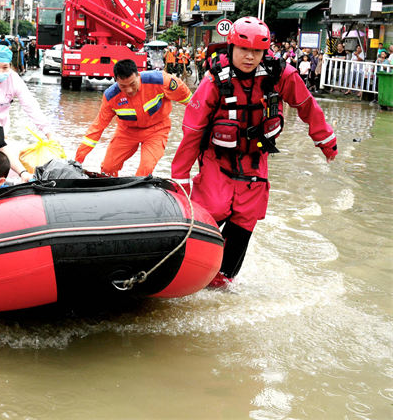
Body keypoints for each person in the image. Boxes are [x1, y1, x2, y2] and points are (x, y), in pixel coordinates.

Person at [171, 16, 337, 288]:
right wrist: (181, 178)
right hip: (217, 159)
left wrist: (325, 140)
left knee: (246, 218)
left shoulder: (281, 75)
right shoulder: (214, 82)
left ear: (265, 51)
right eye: (244, 50)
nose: (250, 57)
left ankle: (222, 280)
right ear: (231, 47)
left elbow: (307, 105)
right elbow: (193, 130)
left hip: (255, 160)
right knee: (212, 208)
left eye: (257, 51)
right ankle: (184, 267)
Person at [75, 59, 192, 177]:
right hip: (127, 132)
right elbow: (97, 127)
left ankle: (139, 191)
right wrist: (78, 160)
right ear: (116, 81)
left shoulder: (160, 81)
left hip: (157, 130)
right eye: (123, 86)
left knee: (145, 169)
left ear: (138, 75)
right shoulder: (110, 97)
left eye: (132, 84)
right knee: (107, 168)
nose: (129, 90)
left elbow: (189, 100)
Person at [0, 44, 55, 139]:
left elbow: (30, 104)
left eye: (5, 67)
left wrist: (48, 132)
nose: (0, 72)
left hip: (2, 127)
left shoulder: (14, 78)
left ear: (10, 66)